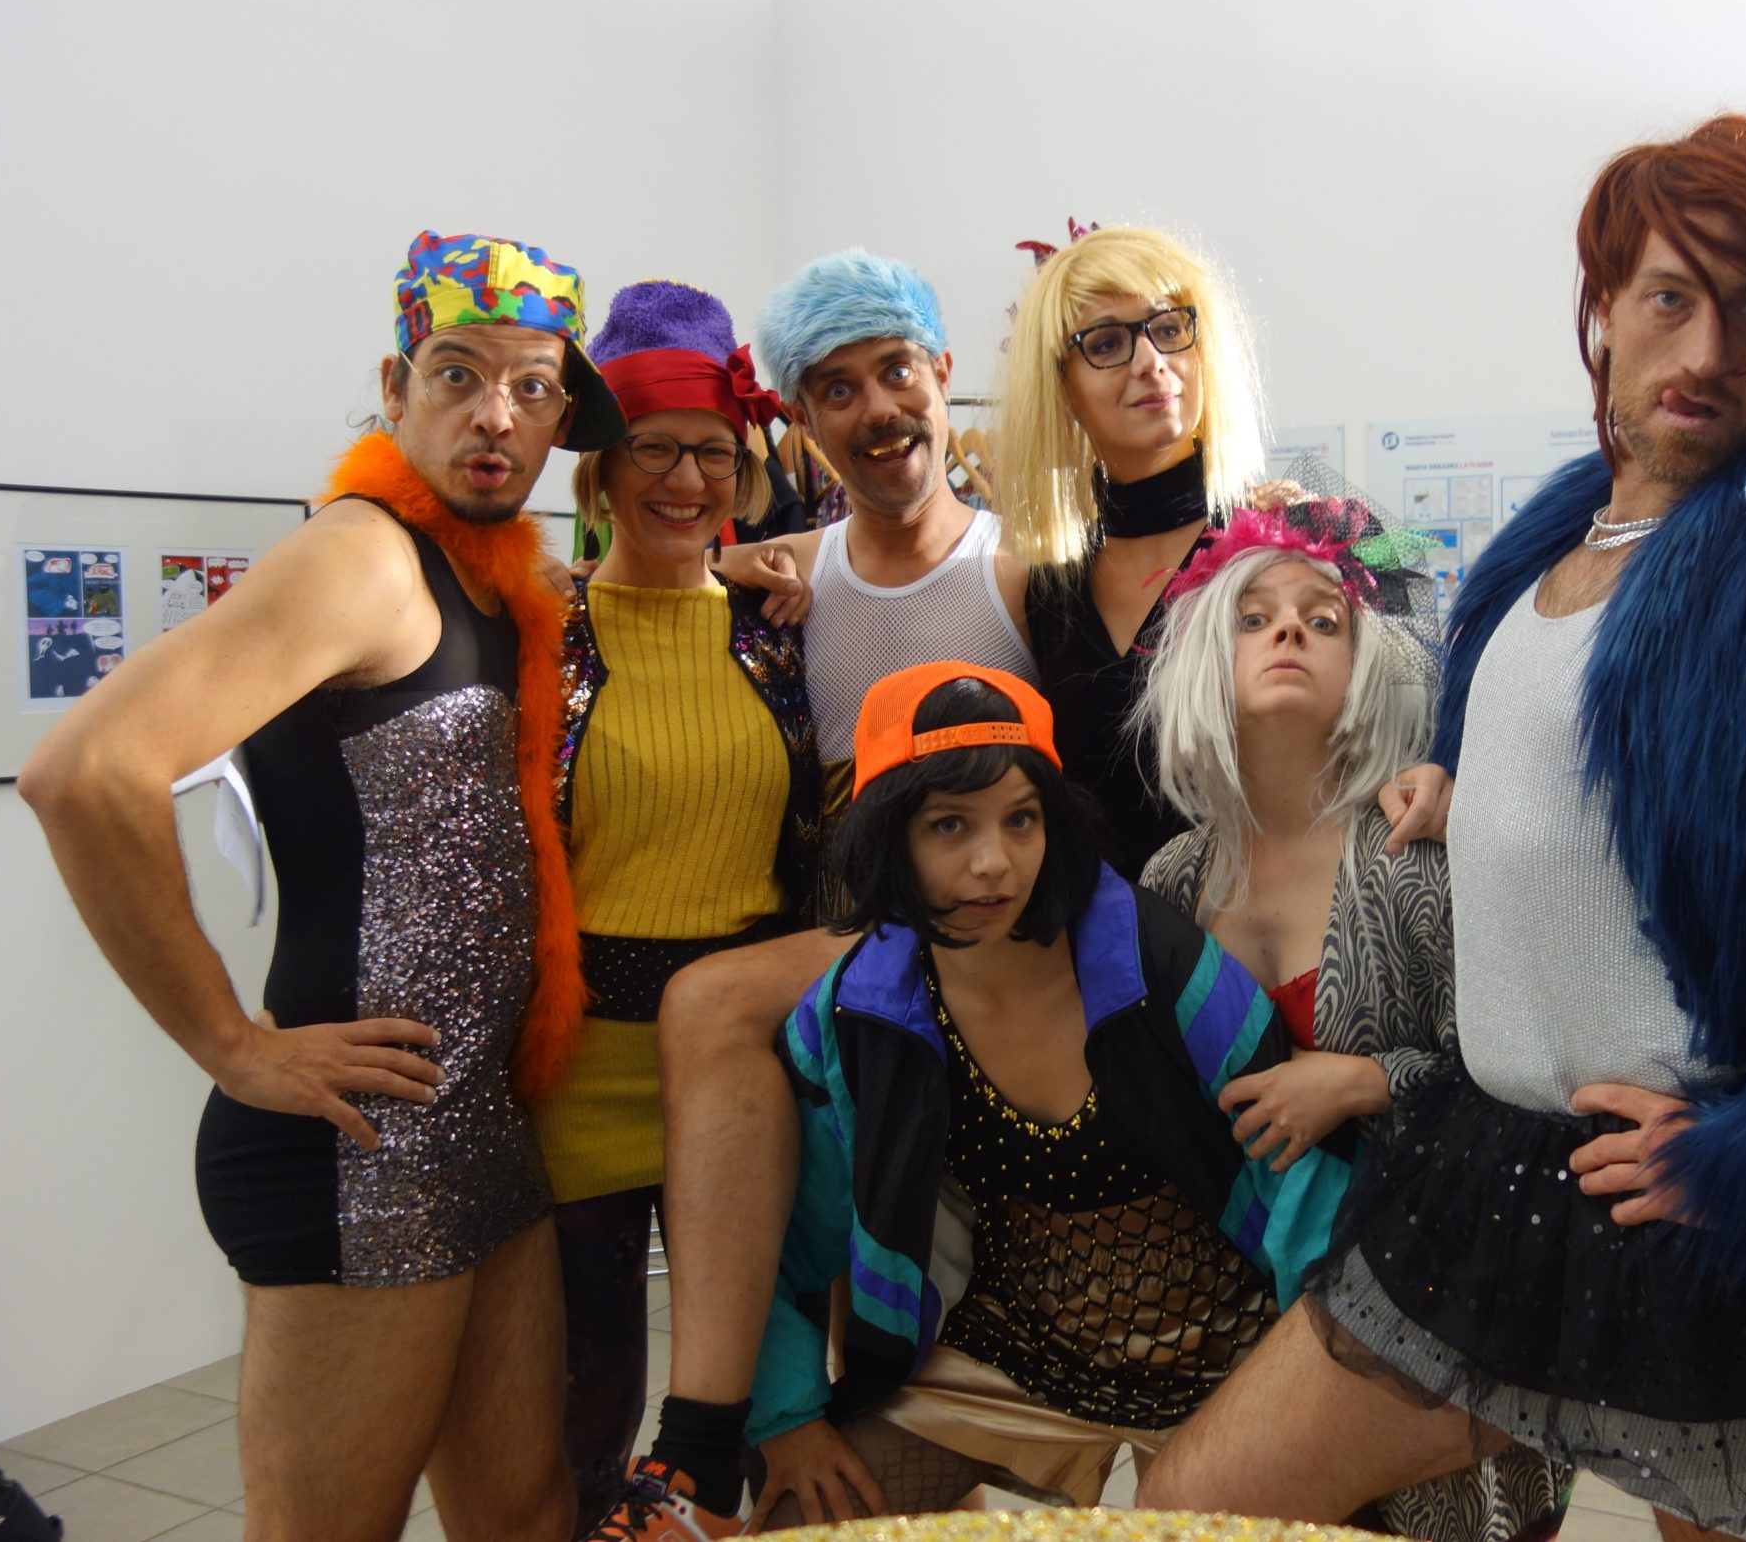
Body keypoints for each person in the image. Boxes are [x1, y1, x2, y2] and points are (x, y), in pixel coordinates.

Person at [1136, 116, 1746, 1542]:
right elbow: (1600, 768)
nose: (1707, 350)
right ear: (1602, 307)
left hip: (1691, 1210)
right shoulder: (1550, 544)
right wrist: (1456, 779)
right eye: (1671, 297)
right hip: (1488, 1172)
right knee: (1195, 1501)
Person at [17, 231, 626, 1542]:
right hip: (357, 1144)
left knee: (525, 1513)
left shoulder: (491, 575)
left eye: (531, 388)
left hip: (475, 1125)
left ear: (560, 419)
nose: (495, 414)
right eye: (458, 374)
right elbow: (86, 770)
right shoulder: (361, 557)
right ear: (395, 387)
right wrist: (230, 1042)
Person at [609, 663, 1350, 1536]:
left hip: (1233, 1361)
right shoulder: (856, 1016)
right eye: (949, 824)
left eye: (1021, 818)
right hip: (1009, 1361)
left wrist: (1319, 1395)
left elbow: (1307, 1191)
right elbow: (784, 1237)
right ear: (889, 835)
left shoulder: (1165, 969)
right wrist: (786, 1416)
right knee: (806, 1522)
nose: (994, 861)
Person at [592, 251, 1044, 1532]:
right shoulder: (783, 581)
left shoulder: (1025, 577)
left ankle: (704, 1437)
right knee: (865, 1332)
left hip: (1007, 999)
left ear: (942, 372)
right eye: (836, 389)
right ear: (797, 416)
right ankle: (754, 1429)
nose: (878, 409)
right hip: (854, 998)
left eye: (896, 371)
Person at [1134, 500, 1574, 1542]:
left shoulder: (1414, 854)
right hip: (1244, 1309)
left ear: (1369, 665)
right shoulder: (1170, 881)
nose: (1287, 628)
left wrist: (1366, 1080)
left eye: (1322, 618)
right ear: (1202, 659)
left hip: (1435, 1281)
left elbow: (1530, 1091)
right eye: (1252, 617)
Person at [539, 280, 822, 1523]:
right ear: (599, 471)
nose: (685, 479)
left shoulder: (779, 630)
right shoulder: (537, 629)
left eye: (713, 452)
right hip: (579, 1081)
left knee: (761, 1407)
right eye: (652, 448)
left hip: (752, 1075)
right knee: (579, 1411)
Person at [993, 225, 1274, 878]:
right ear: (1060, 385)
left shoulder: (1286, 543)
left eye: (1169, 328)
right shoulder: (1046, 591)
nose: (1150, 361)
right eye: (1107, 344)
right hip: (1100, 938)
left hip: (1253, 936)